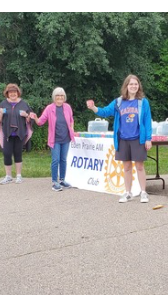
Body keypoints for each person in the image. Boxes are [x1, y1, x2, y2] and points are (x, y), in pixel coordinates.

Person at [86, 75, 154, 203]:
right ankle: (128, 193)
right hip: (122, 139)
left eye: (136, 84)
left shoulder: (143, 102)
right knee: (127, 167)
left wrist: (148, 138)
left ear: (138, 86)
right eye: (131, 84)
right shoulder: (119, 102)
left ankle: (143, 192)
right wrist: (93, 107)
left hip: (138, 138)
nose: (133, 86)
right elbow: (105, 112)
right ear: (126, 86)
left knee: (139, 166)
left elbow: (147, 121)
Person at [35, 87, 78, 191]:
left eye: (62, 95)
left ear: (64, 97)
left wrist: (72, 129)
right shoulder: (50, 108)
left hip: (66, 138)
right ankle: (55, 182)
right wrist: (35, 118)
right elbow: (40, 122)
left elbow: (71, 120)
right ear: (54, 97)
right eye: (58, 95)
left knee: (63, 159)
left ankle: (62, 180)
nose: (60, 97)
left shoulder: (67, 107)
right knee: (55, 160)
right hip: (55, 139)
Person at [0, 83, 38, 185]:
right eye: (10, 92)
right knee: (7, 154)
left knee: (18, 153)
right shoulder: (3, 104)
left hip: (20, 133)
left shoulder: (23, 104)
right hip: (8, 133)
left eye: (14, 92)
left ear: (18, 93)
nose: (12, 94)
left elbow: (30, 119)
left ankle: (19, 176)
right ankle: (8, 176)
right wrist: (1, 113)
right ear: (7, 94)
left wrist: (26, 115)